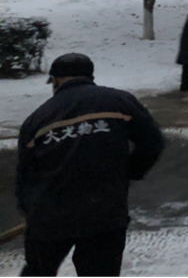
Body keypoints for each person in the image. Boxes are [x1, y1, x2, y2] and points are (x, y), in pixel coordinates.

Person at [16, 53, 164, 277]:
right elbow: (152, 142)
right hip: (104, 211)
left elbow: (26, 173)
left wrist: (31, 210)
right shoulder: (119, 102)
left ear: (55, 81)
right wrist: (128, 173)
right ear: (90, 77)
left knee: (38, 271)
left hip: (50, 215)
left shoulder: (38, 119)